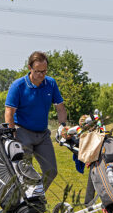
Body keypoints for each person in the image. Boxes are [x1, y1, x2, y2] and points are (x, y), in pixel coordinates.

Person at [4, 51, 67, 191]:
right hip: (22, 133)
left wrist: (63, 126)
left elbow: (61, 109)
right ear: (30, 68)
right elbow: (9, 112)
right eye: (38, 71)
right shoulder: (18, 86)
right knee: (26, 173)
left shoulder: (50, 83)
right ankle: (24, 204)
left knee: (51, 170)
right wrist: (12, 135)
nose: (41, 75)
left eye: (44, 71)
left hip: (42, 134)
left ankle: (37, 197)